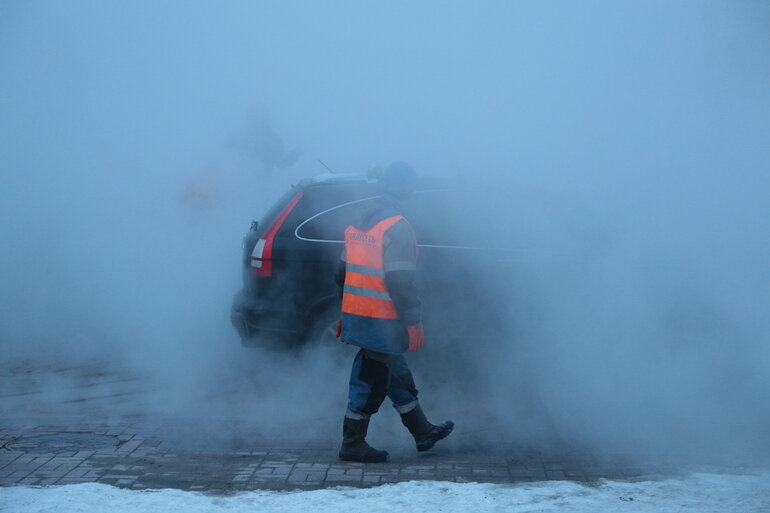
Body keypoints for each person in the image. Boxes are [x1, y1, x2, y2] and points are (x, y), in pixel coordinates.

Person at [335, 161, 454, 463]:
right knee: (369, 380)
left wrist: (345, 314)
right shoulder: (396, 226)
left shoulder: (359, 220)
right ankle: (353, 444)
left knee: (396, 374)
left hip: (361, 315)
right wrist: (413, 321)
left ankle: (423, 431)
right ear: (409, 189)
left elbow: (342, 273)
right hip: (381, 320)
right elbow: (400, 281)